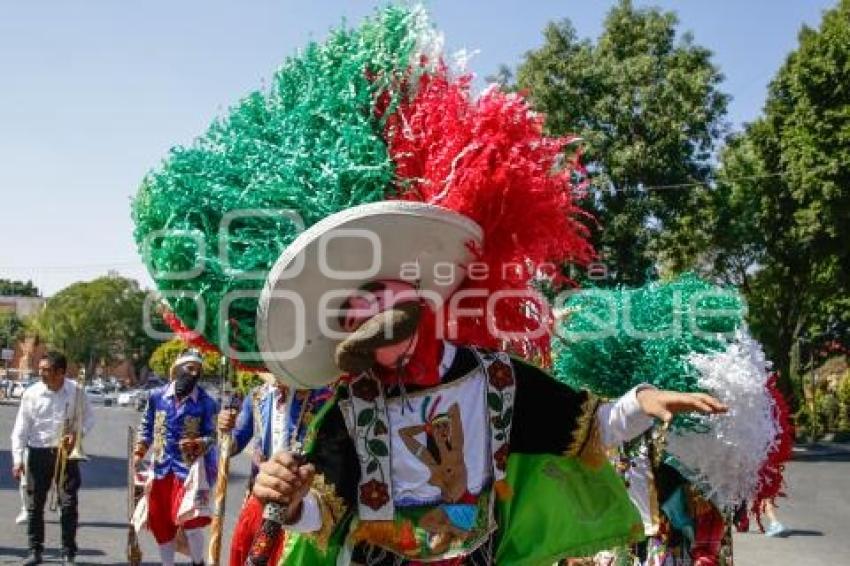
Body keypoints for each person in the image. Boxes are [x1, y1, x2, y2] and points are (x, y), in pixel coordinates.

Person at [217, 378, 333, 564]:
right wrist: (224, 429)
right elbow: (234, 445)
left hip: (301, 508)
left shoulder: (324, 397)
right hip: (257, 502)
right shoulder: (257, 396)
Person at [132, 349, 218, 566]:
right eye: (190, 368)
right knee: (161, 522)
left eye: (198, 370)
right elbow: (147, 425)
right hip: (161, 468)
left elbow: (214, 434)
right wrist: (140, 449)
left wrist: (200, 443)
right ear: (177, 368)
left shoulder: (207, 402)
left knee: (190, 518)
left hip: (189, 471)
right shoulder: (157, 397)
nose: (194, 373)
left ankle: (198, 562)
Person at [10, 351, 94, 566]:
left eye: (46, 370)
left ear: (61, 372)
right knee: (34, 506)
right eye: (41, 369)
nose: (42, 374)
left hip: (66, 454)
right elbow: (20, 428)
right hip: (38, 453)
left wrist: (77, 435)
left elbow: (89, 418)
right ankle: (35, 550)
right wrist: (17, 459)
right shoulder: (32, 393)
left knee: (68, 504)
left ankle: (68, 553)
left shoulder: (76, 391)